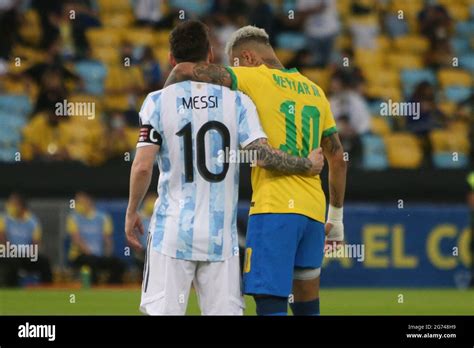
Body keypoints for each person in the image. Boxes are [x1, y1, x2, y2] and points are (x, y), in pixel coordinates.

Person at [125, 20, 324, 316]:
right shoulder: (238, 101)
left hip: (171, 232)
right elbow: (262, 155)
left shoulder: (156, 101)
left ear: (171, 59)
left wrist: (131, 211)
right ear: (210, 56)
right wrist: (306, 164)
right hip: (221, 238)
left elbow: (142, 167)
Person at [166, 25, 347, 315]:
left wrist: (163, 107)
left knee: (269, 301)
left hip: (274, 207)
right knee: (307, 303)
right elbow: (337, 158)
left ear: (248, 57)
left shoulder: (252, 77)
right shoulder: (315, 90)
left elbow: (186, 69)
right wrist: (336, 219)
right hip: (314, 211)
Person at [66, 192, 125, 284]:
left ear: (89, 201)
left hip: (99, 255)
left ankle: (112, 288)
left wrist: (107, 255)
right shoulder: (73, 218)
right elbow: (76, 239)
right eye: (77, 201)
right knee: (91, 262)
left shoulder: (103, 217)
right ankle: (94, 287)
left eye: (81, 201)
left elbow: (108, 240)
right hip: (79, 256)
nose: (78, 204)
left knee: (117, 264)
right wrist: (90, 253)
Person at [0, 193, 52, 286]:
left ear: (21, 206)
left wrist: (29, 252)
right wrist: (13, 251)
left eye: (14, 204)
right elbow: (2, 239)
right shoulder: (4, 219)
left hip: (25, 254)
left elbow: (36, 242)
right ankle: (11, 288)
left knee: (44, 262)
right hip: (7, 252)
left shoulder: (32, 221)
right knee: (12, 262)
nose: (10, 206)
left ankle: (47, 289)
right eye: (10, 203)